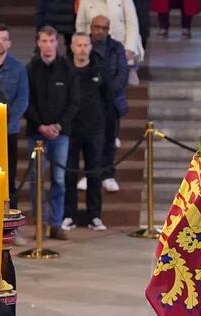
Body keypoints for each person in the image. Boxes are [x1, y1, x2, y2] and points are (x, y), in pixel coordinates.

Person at [26, 25, 78, 240]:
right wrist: (40, 125)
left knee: (58, 178)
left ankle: (56, 223)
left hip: (60, 134)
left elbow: (74, 101)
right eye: (44, 41)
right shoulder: (30, 69)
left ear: (57, 42)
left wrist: (59, 126)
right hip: (36, 133)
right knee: (35, 180)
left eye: (51, 41)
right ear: (38, 43)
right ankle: (40, 222)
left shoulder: (67, 69)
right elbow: (26, 102)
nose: (48, 45)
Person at [66, 33, 111, 232]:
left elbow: (108, 98)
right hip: (71, 129)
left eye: (86, 45)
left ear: (91, 47)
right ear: (72, 47)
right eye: (79, 45)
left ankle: (95, 216)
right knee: (69, 173)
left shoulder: (99, 69)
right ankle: (69, 215)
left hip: (95, 129)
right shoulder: (65, 69)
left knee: (94, 173)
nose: (82, 49)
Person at [0, 24, 29, 197]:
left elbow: (23, 99)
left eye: (4, 39)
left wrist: (6, 121)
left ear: (9, 43)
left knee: (8, 177)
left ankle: (8, 217)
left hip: (9, 130)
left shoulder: (18, 68)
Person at [89, 15, 131, 195]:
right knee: (91, 142)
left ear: (108, 29)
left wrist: (109, 91)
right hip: (90, 102)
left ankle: (107, 174)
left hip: (111, 102)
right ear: (91, 28)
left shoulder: (116, 48)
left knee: (109, 140)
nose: (100, 31)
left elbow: (122, 72)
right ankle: (90, 173)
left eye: (104, 28)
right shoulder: (85, 47)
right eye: (97, 27)